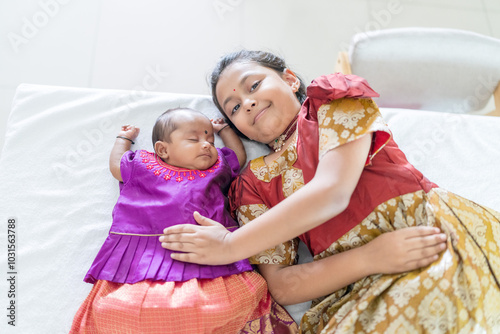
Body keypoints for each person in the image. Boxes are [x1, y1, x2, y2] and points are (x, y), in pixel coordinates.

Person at [160, 50, 500, 333]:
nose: (246, 103)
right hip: (357, 282)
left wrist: (228, 245)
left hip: (428, 236)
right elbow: (282, 285)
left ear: (291, 79)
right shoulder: (251, 185)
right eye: (233, 108)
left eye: (254, 85)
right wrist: (369, 258)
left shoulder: (331, 103)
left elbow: (333, 190)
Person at [70, 108, 301, 333]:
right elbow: (116, 166)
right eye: (193, 139)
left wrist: (225, 132)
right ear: (162, 150)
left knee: (227, 305)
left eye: (210, 140)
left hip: (211, 252)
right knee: (119, 308)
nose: (206, 145)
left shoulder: (217, 166)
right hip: (145, 256)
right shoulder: (142, 166)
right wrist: (124, 139)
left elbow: (238, 158)